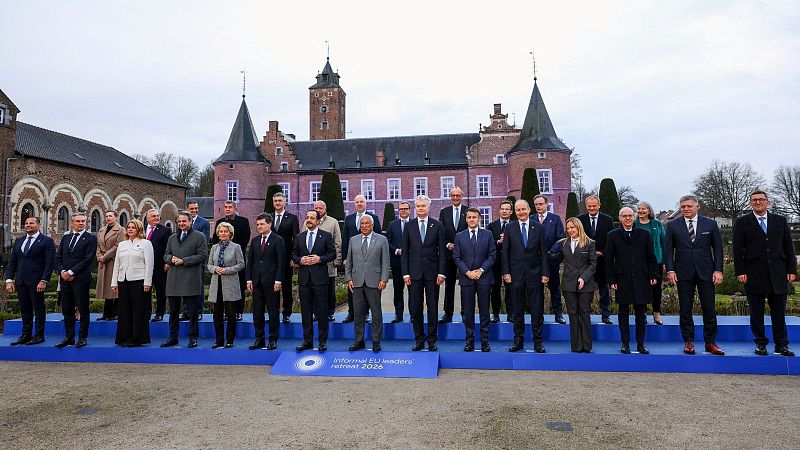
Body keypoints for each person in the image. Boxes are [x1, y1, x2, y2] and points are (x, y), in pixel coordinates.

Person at [732, 190, 797, 357]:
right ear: (750, 203)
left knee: (779, 312)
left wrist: (791, 270)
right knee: (756, 312)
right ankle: (760, 343)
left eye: (761, 200)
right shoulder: (741, 222)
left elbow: (789, 247)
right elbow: (737, 250)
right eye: (754, 200)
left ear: (768, 202)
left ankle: (781, 345)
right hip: (753, 273)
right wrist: (740, 271)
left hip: (779, 273)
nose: (757, 202)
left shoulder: (780, 221)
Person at [664, 195, 725, 356]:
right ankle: (688, 341)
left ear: (697, 206)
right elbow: (668, 250)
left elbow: (718, 249)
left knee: (709, 309)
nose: (685, 209)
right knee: (685, 309)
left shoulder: (710, 224)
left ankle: (710, 342)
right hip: (683, 273)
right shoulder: (673, 225)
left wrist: (718, 270)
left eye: (689, 206)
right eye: (683, 206)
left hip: (706, 272)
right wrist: (670, 270)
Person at [607, 207, 658, 354]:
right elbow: (609, 260)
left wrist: (653, 275)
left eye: (630, 215)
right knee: (623, 313)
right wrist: (612, 279)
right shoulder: (612, 235)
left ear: (634, 217)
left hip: (642, 279)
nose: (628, 218)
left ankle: (641, 344)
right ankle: (625, 344)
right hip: (622, 280)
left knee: (641, 314)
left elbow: (651, 258)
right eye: (625, 216)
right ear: (620, 218)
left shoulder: (644, 234)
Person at [502, 200, 549, 353]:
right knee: (517, 310)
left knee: (537, 309)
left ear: (529, 210)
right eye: (518, 210)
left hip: (535, 275)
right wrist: (506, 272)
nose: (521, 212)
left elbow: (543, 253)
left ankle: (537, 341)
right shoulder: (510, 228)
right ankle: (518, 341)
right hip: (515, 276)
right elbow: (506, 253)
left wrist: (545, 273)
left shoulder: (539, 227)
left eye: (523, 209)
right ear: (514, 212)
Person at [401, 194, 446, 352]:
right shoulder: (409, 226)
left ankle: (432, 340)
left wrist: (442, 273)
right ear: (415, 208)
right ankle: (419, 340)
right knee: (416, 308)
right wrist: (405, 274)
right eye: (418, 206)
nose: (421, 208)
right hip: (414, 275)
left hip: (433, 275)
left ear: (428, 208)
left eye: (423, 206)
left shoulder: (438, 225)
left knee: (433, 308)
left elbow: (442, 252)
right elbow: (405, 252)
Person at [5, 216, 56, 346]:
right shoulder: (19, 241)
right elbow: (12, 262)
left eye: (31, 223)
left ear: (38, 225)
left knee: (38, 308)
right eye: (26, 223)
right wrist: (9, 280)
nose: (28, 225)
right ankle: (26, 335)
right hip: (21, 280)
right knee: (24, 308)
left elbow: (49, 263)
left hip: (37, 281)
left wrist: (44, 280)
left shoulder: (46, 241)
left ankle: (39, 336)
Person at [161, 211, 208, 348]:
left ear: (190, 221)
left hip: (191, 278)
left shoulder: (199, 237)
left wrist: (184, 261)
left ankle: (193, 338)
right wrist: (171, 259)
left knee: (193, 312)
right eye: (179, 221)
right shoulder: (172, 238)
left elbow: (203, 255)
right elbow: (166, 255)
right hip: (174, 278)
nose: (181, 224)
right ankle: (173, 337)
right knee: (173, 312)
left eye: (184, 221)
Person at [549, 218, 596, 353]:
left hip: (585, 284)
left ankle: (587, 346)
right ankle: (576, 346)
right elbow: (555, 257)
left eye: (572, 228)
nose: (570, 230)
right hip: (568, 284)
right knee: (573, 314)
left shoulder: (590, 243)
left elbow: (593, 264)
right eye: (568, 228)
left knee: (585, 313)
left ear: (579, 227)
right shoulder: (563, 243)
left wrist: (584, 278)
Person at [292, 210, 337, 351]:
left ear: (318, 221)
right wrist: (300, 260)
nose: (309, 220)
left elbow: (333, 254)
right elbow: (293, 254)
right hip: (304, 280)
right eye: (307, 218)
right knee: (306, 313)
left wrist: (319, 259)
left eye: (312, 218)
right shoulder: (299, 237)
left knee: (322, 312)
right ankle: (307, 341)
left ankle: (322, 341)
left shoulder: (326, 236)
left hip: (320, 280)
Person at [345, 214, 390, 352]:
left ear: (372, 225)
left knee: (376, 312)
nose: (364, 226)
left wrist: (384, 279)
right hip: (357, 282)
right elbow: (349, 262)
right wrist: (349, 279)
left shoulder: (382, 239)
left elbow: (385, 261)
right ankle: (359, 341)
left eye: (367, 223)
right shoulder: (353, 240)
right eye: (362, 223)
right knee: (358, 313)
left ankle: (376, 341)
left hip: (374, 282)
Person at [454, 208, 496, 352]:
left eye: (474, 217)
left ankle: (485, 341)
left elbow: (492, 256)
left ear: (479, 219)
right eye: (469, 217)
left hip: (484, 278)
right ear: (466, 219)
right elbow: (457, 257)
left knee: (484, 311)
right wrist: (467, 272)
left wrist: (481, 270)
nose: (472, 219)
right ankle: (469, 341)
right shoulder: (459, 236)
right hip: (467, 280)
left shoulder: (488, 234)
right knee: (468, 312)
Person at [56, 212, 98, 348]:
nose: (81, 223)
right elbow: (58, 257)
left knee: (83, 308)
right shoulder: (66, 237)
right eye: (78, 221)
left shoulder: (91, 238)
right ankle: (69, 337)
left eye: (83, 221)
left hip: (80, 279)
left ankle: (82, 337)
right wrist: (62, 271)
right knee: (67, 309)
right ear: (72, 223)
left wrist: (71, 272)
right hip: (65, 279)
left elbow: (88, 259)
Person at [110, 219, 153, 347]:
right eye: (128, 227)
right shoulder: (122, 244)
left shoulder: (146, 244)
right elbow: (117, 264)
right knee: (124, 310)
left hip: (139, 281)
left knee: (139, 310)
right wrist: (114, 283)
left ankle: (137, 338)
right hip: (123, 280)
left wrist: (148, 282)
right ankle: (124, 337)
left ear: (139, 229)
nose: (130, 229)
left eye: (133, 227)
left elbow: (149, 265)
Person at [246, 213, 286, 350]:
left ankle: (273, 339)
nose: (259, 227)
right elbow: (250, 261)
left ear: (269, 224)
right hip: (257, 282)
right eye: (257, 224)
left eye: (262, 224)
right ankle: (259, 339)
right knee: (257, 313)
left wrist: (278, 280)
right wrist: (249, 279)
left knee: (273, 312)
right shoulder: (255, 240)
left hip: (271, 282)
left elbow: (281, 262)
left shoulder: (278, 240)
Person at [343, 194, 382, 323]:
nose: (359, 204)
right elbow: (345, 240)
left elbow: (379, 239)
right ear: (354, 204)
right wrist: (345, 258)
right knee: (353, 288)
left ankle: (365, 313)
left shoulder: (374, 218)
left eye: (361, 202)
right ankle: (351, 313)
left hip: (370, 259)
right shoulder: (348, 219)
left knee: (368, 288)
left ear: (366, 203)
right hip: (354, 259)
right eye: (357, 202)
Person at [207, 222, 245, 348]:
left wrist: (227, 270)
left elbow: (241, 264)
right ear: (218, 233)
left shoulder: (236, 247)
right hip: (216, 284)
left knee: (231, 314)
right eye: (221, 231)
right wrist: (215, 269)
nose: (223, 233)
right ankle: (219, 340)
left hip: (230, 284)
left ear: (230, 234)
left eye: (225, 231)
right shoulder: (214, 248)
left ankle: (229, 340)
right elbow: (209, 265)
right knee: (217, 314)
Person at [211, 201, 251, 321]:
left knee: (238, 285)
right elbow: (214, 238)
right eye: (226, 207)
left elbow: (246, 238)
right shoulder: (219, 222)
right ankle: (224, 312)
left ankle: (238, 311)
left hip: (236, 257)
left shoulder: (243, 221)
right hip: (221, 259)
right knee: (221, 288)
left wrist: (232, 249)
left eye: (230, 207)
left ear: (235, 208)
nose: (227, 209)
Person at [578, 195, 614, 324]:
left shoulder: (608, 220)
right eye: (589, 206)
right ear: (586, 206)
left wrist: (602, 252)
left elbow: (611, 240)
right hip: (585, 262)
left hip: (603, 261)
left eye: (594, 206)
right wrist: (589, 253)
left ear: (599, 205)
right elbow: (577, 239)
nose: (592, 208)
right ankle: (584, 315)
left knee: (604, 289)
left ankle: (605, 315)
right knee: (585, 290)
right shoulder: (579, 220)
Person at [303, 200, 342, 323]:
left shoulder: (333, 222)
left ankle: (330, 313)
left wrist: (337, 259)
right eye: (316, 208)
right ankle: (316, 313)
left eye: (320, 208)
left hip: (328, 263)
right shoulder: (307, 222)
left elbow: (338, 242)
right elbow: (302, 240)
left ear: (325, 209)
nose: (318, 210)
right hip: (310, 265)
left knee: (330, 290)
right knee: (313, 290)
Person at [533, 195, 566, 324]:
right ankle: (538, 315)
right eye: (536, 204)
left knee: (554, 288)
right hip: (535, 261)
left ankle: (558, 314)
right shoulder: (531, 219)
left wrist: (550, 252)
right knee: (537, 290)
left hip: (551, 260)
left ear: (546, 204)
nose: (538, 206)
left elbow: (560, 238)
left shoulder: (555, 219)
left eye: (541, 204)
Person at [634, 201, 666, 325]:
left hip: (655, 261)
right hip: (638, 262)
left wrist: (664, 262)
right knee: (640, 289)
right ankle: (642, 314)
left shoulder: (657, 224)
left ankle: (656, 313)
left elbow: (664, 243)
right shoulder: (634, 224)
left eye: (643, 209)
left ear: (649, 211)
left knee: (656, 289)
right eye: (639, 209)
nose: (641, 211)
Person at [438, 187, 467, 323]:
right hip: (449, 255)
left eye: (458, 195)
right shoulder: (444, 212)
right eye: (453, 195)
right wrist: (447, 244)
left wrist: (461, 245)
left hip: (464, 255)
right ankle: (448, 313)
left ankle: (465, 312)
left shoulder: (468, 211)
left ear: (462, 196)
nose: (455, 198)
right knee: (449, 285)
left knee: (465, 284)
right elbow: (440, 233)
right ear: (450, 196)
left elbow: (470, 230)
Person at [271, 192, 299, 323]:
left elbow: (296, 239)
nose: (277, 203)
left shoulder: (292, 218)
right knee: (271, 287)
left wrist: (294, 257)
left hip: (287, 258)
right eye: (275, 201)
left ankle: (287, 313)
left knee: (286, 287)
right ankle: (273, 313)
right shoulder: (268, 217)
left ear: (284, 202)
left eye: (280, 201)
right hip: (270, 259)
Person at [95, 211, 125, 322]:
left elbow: (118, 245)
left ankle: (115, 312)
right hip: (103, 262)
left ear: (116, 217)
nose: (108, 218)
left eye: (110, 216)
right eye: (106, 216)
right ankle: (106, 313)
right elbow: (98, 245)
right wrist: (99, 256)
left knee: (114, 287)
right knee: (105, 287)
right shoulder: (101, 230)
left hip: (113, 260)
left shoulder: (121, 230)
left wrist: (105, 256)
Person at [487, 201, 513, 323]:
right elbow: (488, 244)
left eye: (507, 209)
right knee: (495, 289)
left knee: (510, 289)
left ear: (511, 212)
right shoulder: (491, 226)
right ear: (499, 210)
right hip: (495, 262)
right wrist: (499, 242)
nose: (504, 211)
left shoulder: (515, 225)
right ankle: (496, 314)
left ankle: (510, 314)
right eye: (502, 208)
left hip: (511, 262)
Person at [386, 201, 411, 322]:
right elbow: (388, 242)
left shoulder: (414, 223)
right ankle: (399, 315)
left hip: (412, 263)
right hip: (397, 263)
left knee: (413, 291)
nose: (403, 211)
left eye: (405, 209)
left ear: (409, 210)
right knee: (398, 290)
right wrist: (396, 250)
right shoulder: (392, 224)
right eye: (401, 209)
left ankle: (413, 315)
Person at [145, 209, 171, 322]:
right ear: (147, 218)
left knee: (161, 290)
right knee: (145, 291)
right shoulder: (141, 229)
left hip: (159, 266)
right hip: (144, 267)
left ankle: (160, 313)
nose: (156, 218)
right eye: (153, 216)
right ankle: (146, 312)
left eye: (158, 216)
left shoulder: (165, 230)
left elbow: (168, 248)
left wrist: (167, 262)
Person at [187, 200, 211, 320]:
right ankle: (186, 311)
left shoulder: (204, 223)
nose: (194, 211)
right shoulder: (182, 222)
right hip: (184, 261)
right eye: (192, 209)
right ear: (187, 209)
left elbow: (205, 242)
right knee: (185, 285)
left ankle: (199, 311)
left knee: (198, 285)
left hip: (198, 260)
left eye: (196, 208)